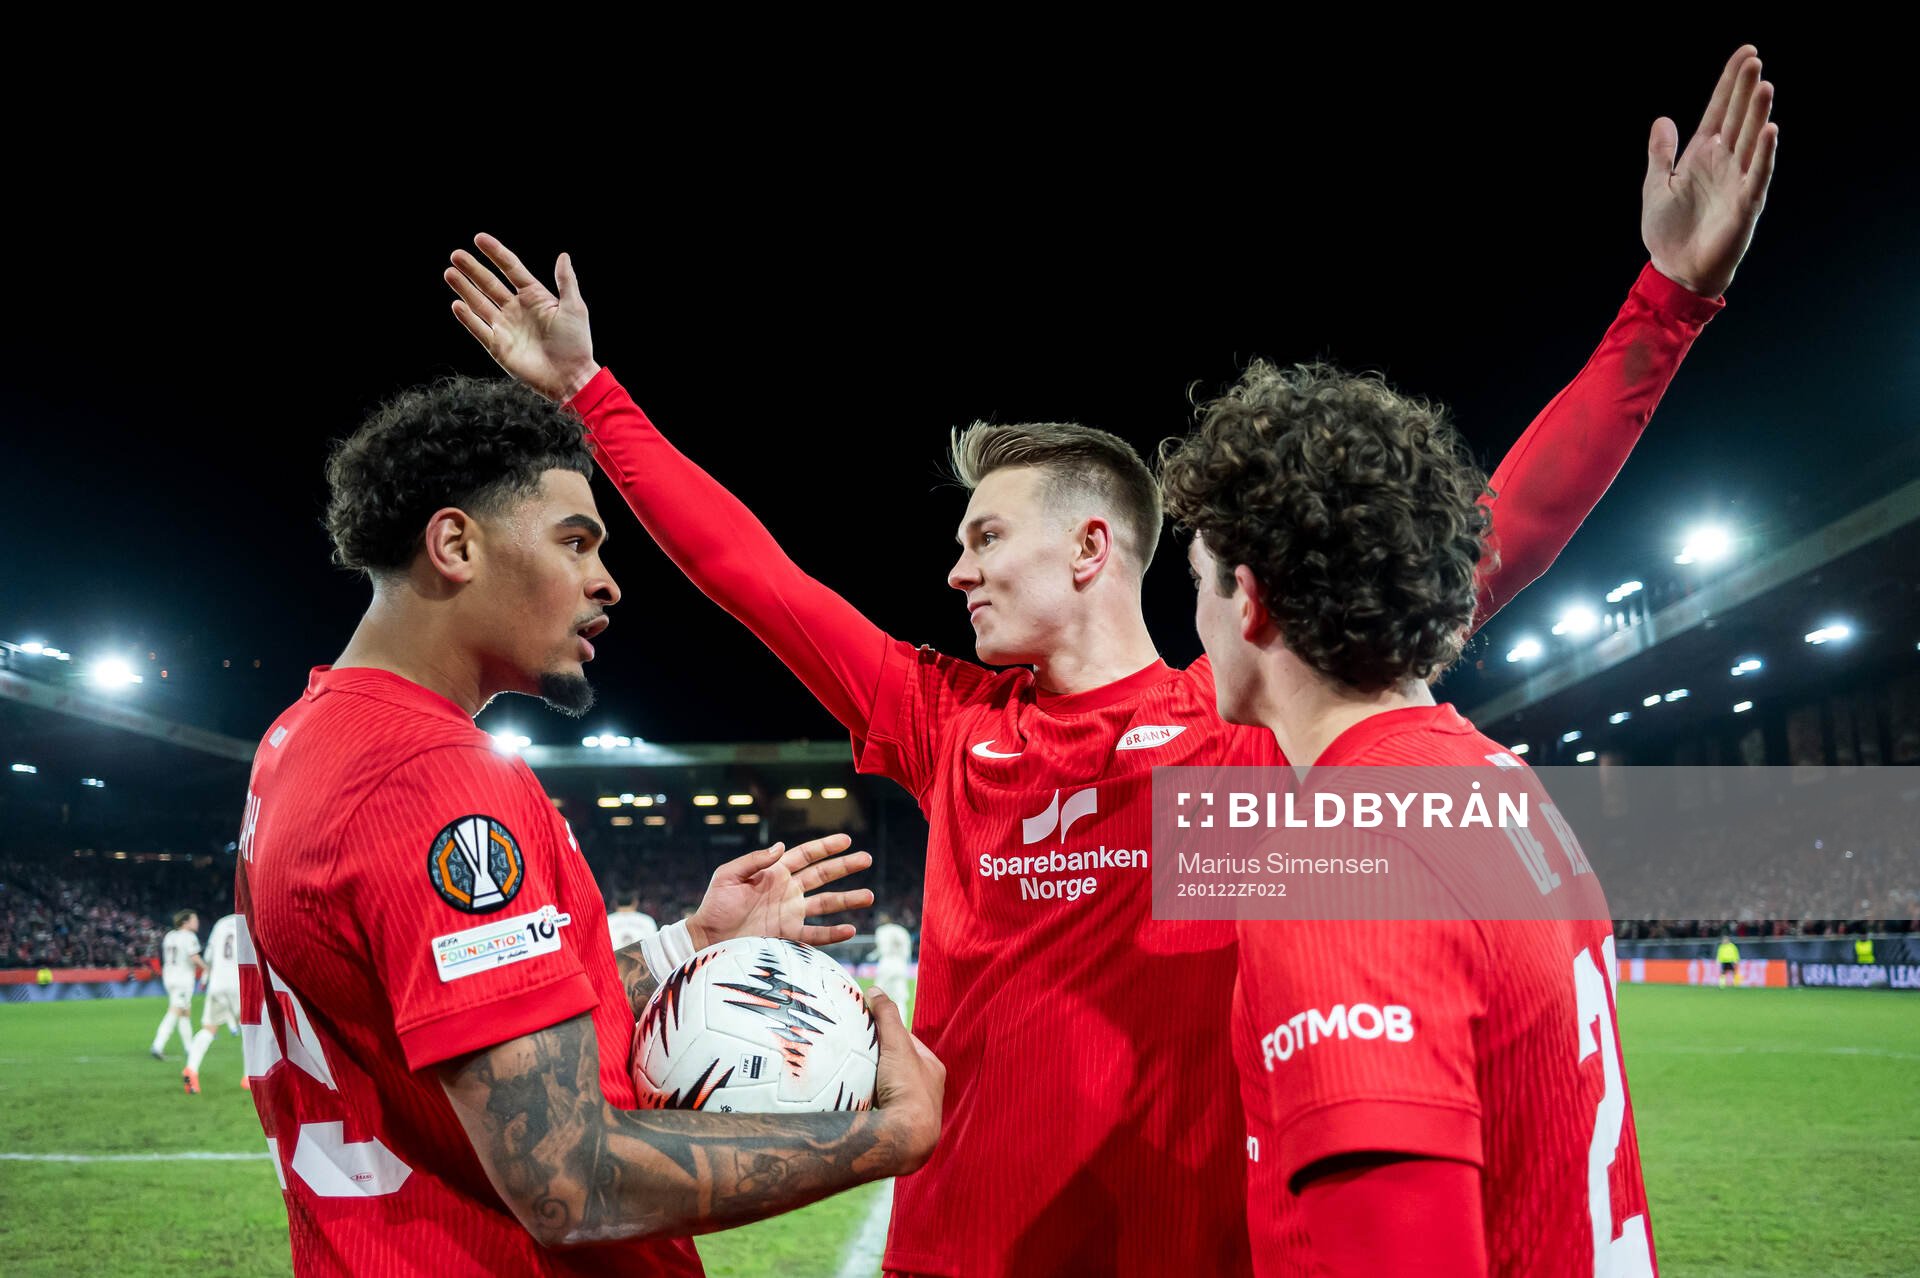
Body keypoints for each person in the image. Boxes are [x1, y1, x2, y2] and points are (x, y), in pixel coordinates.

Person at [441, 45, 1772, 1275]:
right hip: (960, 1253)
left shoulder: (1241, 718)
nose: (956, 571)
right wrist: (591, 395)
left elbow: (1484, 538)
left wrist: (1668, 305)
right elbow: (755, 574)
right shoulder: (943, 718)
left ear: (1092, 547)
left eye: (983, 537)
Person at [235, 376, 944, 1276]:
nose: (606, 581)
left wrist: (690, 943)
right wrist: (890, 1133)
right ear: (455, 544)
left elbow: (470, 1027)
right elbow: (571, 1182)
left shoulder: (303, 736)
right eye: (576, 542)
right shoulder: (433, 777)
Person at [1160, 356, 1663, 1276]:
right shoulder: (1495, 779)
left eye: (1199, 582)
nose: (1196, 618)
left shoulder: (1339, 866)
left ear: (1253, 603)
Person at [183, 912, 241, 1094]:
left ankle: (191, 1069)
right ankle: (250, 1077)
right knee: (252, 1030)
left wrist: (207, 978)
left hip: (217, 983)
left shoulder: (221, 923)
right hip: (240, 983)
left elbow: (208, 957)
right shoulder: (251, 921)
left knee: (209, 1029)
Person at [149, 910, 204, 1063]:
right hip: (182, 979)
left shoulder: (170, 936)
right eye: (194, 920)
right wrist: (208, 968)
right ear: (185, 922)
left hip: (170, 977)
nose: (197, 923)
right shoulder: (189, 937)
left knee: (185, 1012)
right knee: (175, 1010)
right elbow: (194, 957)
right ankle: (158, 1045)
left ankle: (189, 1047)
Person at [870, 914, 914, 1024]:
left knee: (877, 996)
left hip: (886, 962)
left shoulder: (881, 930)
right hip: (900, 964)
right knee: (900, 998)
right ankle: (902, 1025)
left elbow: (881, 949)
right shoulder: (902, 930)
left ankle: (876, 1024)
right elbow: (907, 951)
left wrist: (872, 956)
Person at [606, 885, 660, 951]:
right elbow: (654, 947)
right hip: (640, 957)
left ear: (615, 903)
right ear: (635, 902)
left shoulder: (607, 921)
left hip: (614, 956)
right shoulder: (647, 920)